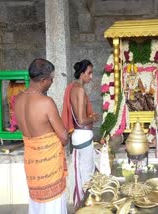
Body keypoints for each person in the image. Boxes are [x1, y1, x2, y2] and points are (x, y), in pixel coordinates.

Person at [14, 58, 68, 214]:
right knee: (52, 208)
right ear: (43, 80)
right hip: (48, 169)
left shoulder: (18, 100)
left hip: (32, 167)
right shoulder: (46, 102)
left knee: (37, 208)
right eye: (51, 79)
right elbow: (63, 137)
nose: (52, 82)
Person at [62, 59, 100, 209]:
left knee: (84, 173)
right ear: (82, 73)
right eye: (89, 73)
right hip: (82, 135)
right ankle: (84, 208)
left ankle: (84, 207)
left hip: (81, 137)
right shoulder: (79, 90)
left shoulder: (73, 87)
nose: (91, 76)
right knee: (86, 176)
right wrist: (93, 118)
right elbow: (81, 120)